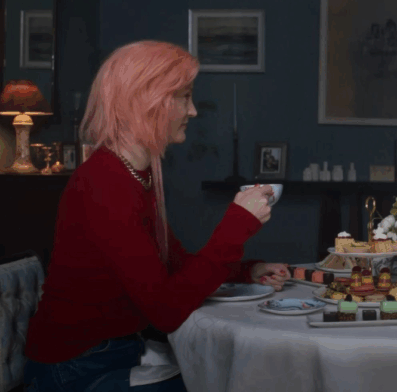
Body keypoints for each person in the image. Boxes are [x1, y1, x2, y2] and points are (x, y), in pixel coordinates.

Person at [23, 40, 289, 391]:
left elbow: (173, 265)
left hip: (114, 353)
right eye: (184, 97)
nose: (193, 111)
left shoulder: (134, 173)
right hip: (75, 368)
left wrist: (246, 270)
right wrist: (238, 223)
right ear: (146, 101)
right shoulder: (105, 182)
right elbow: (165, 311)